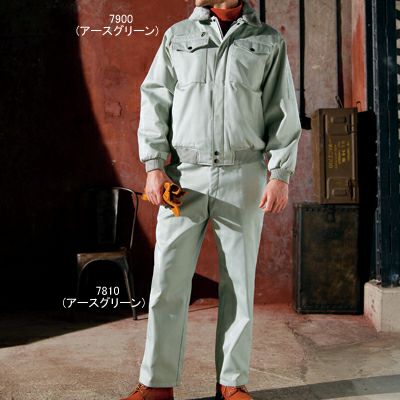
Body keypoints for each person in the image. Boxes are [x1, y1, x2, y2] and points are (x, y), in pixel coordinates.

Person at [121, 0, 301, 399]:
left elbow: (283, 109)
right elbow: (155, 100)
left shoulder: (267, 41)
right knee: (167, 282)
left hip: (244, 175)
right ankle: (157, 385)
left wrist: (280, 175)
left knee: (239, 283)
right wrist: (153, 166)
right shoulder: (177, 36)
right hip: (184, 176)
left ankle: (231, 384)